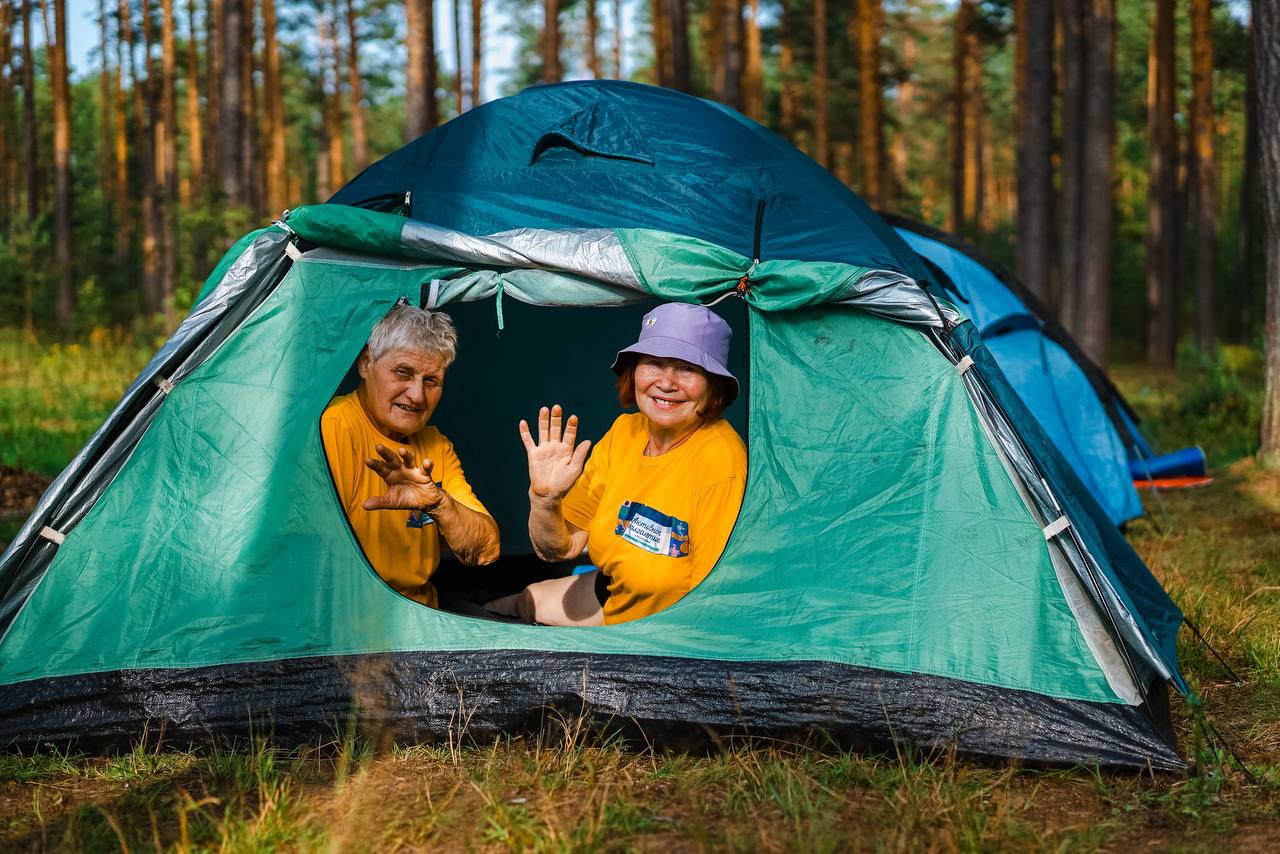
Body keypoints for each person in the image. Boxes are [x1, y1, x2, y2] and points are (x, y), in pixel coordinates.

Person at [514, 302, 747, 625]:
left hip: (661, 634)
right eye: (654, 363)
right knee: (513, 607)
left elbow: (710, 605)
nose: (667, 382)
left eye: (687, 368)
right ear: (633, 372)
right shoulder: (626, 432)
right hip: (617, 592)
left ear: (714, 386)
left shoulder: (721, 462)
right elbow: (559, 549)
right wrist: (544, 500)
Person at [321, 306, 499, 610]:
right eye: (403, 373)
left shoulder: (435, 445)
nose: (417, 395)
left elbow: (486, 549)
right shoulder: (335, 428)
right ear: (366, 364)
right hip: (349, 622)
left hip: (421, 617)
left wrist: (438, 504)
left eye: (431, 381)